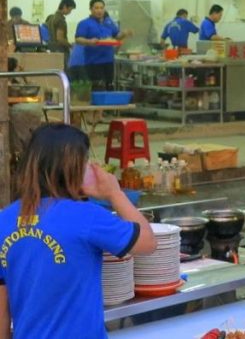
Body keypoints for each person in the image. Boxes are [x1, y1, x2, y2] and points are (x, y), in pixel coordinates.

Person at [0, 123, 156, 339]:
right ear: (74, 168)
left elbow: (2, 310)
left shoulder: (3, 221)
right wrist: (114, 193)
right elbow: (147, 242)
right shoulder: (87, 217)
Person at [73, 0, 126, 91]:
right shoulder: (84, 23)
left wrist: (125, 34)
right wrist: (89, 42)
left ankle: (109, 104)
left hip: (108, 61)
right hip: (93, 62)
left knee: (110, 86)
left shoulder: (109, 22)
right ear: (91, 9)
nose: (99, 10)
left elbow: (117, 36)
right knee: (97, 88)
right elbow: (78, 39)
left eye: (101, 8)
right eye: (96, 8)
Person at [44, 0, 76, 64]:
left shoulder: (51, 18)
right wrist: (70, 45)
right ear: (64, 6)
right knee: (63, 72)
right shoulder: (61, 20)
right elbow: (60, 38)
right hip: (60, 50)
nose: (70, 12)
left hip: (51, 48)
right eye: (70, 10)